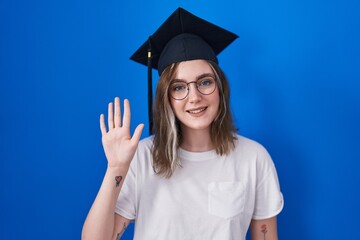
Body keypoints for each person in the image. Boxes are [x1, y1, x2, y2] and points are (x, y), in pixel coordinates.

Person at [82, 7, 283, 240]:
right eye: (179, 87)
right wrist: (116, 168)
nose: (194, 97)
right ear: (166, 98)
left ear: (220, 87)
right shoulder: (142, 157)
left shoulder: (254, 158)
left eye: (205, 82)